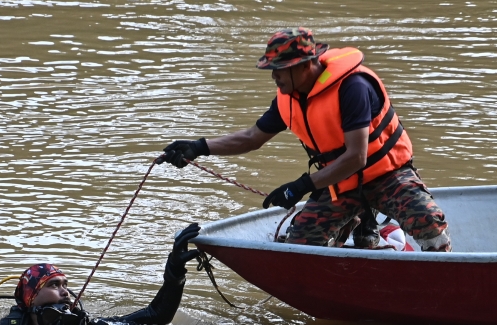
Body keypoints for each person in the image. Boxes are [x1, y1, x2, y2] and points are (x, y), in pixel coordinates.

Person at [161, 28, 451, 252]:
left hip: (387, 176)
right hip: (341, 185)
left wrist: (301, 186)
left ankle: (440, 271)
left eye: (279, 69)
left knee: (427, 221)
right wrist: (199, 147)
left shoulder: (353, 88)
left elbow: (356, 156)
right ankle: (357, 223)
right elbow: (251, 138)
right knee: (298, 244)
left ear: (304, 65)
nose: (274, 77)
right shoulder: (288, 99)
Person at [0, 223, 201, 325]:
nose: (64, 292)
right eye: (53, 285)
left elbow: (156, 315)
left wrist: (175, 270)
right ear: (31, 298)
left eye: (65, 285)